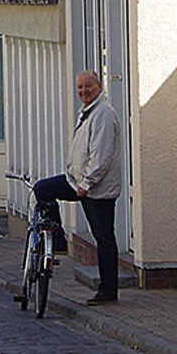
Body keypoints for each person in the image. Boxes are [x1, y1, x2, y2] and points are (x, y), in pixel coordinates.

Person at [31, 72, 123, 305]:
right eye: (80, 87)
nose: (84, 91)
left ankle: (108, 290)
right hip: (77, 181)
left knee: (104, 238)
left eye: (88, 86)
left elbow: (100, 157)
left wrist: (86, 184)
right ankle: (57, 240)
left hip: (95, 188)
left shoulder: (102, 114)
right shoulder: (88, 112)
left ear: (99, 87)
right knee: (42, 189)